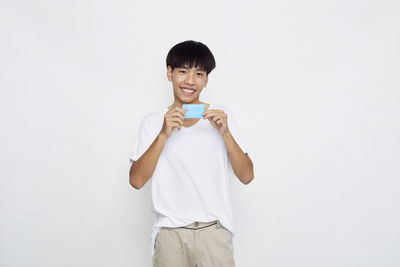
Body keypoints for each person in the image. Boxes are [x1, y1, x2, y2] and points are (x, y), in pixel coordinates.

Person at [129, 40, 254, 267]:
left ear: (206, 79)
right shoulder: (153, 122)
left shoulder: (222, 117)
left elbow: (247, 176)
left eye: (198, 73)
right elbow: (136, 181)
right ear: (169, 73)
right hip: (169, 234)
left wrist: (226, 134)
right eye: (183, 71)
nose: (190, 80)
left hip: (214, 232)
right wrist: (163, 135)